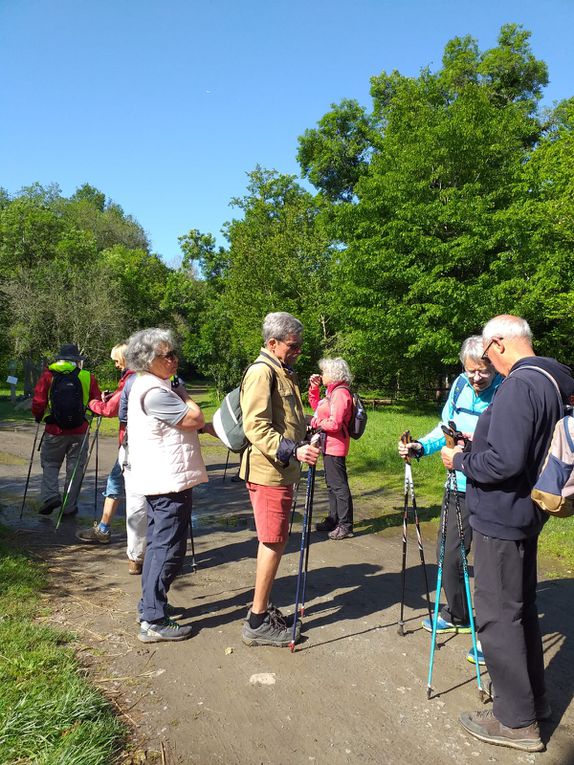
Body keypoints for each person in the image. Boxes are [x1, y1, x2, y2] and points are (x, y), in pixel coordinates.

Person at [441, 315, 574, 753]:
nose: (487, 362)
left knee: (497, 616)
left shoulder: (520, 384)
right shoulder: (554, 378)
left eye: (486, 352)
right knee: (518, 610)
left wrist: (460, 460)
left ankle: (515, 722)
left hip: (503, 514)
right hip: (527, 511)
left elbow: (505, 462)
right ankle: (532, 703)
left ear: (496, 343)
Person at [398, 336, 501, 637]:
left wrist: (469, 445)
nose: (476, 377)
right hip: (458, 485)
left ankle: (495, 634)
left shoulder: (505, 390)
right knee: (449, 554)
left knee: (488, 563)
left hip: (491, 487)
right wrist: (420, 446)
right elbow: (445, 430)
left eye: (483, 371)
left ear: (494, 366)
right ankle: (458, 613)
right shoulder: (459, 386)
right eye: (471, 370)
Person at [240, 312, 320, 648]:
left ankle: (262, 608)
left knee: (275, 540)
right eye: (294, 345)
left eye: (300, 345)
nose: (299, 350)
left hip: (280, 471)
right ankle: (257, 622)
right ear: (273, 343)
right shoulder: (262, 372)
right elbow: (255, 426)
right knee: (273, 542)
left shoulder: (282, 371)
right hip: (269, 472)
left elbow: (286, 419)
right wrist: (294, 450)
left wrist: (309, 428)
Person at [125, 328, 207, 643]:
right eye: (167, 355)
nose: (174, 360)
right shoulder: (156, 391)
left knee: (160, 546)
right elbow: (195, 418)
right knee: (168, 549)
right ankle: (153, 619)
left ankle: (149, 606)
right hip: (167, 481)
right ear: (148, 360)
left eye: (174, 353)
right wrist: (185, 394)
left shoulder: (149, 385)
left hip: (162, 478)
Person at [76, 343, 148, 575]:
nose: (116, 364)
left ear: (127, 359)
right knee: (118, 485)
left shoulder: (131, 378)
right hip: (139, 442)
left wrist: (92, 403)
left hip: (131, 444)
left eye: (117, 360)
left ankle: (112, 535)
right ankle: (106, 529)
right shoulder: (144, 376)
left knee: (119, 487)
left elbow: (110, 409)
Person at [32, 343, 101, 516]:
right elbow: (96, 402)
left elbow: (39, 402)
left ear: (60, 359)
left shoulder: (48, 375)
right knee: (75, 468)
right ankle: (69, 507)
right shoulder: (87, 376)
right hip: (80, 430)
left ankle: (50, 496)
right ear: (77, 360)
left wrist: (38, 416)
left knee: (50, 463)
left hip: (54, 429)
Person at [309, 357, 355, 540]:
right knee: (331, 485)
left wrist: (315, 423)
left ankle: (345, 525)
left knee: (339, 486)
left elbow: (335, 423)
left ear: (334, 374)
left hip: (336, 445)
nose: (322, 375)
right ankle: (333, 518)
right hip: (328, 444)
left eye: (324, 372)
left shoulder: (340, 394)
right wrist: (314, 388)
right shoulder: (332, 391)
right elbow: (317, 408)